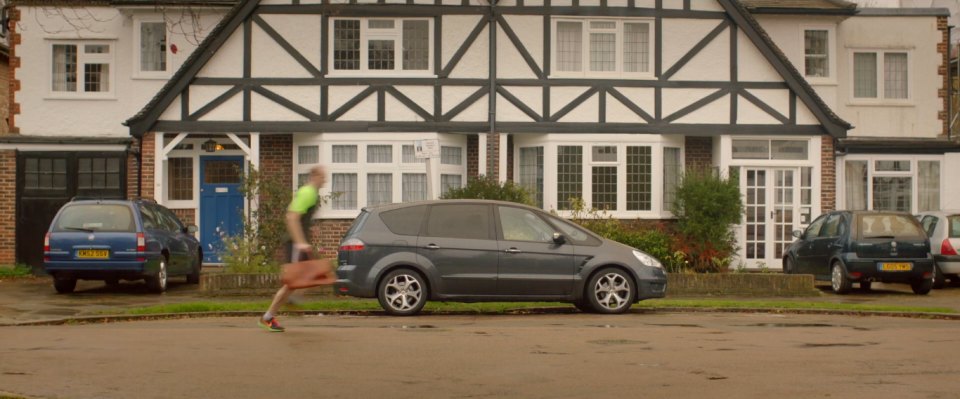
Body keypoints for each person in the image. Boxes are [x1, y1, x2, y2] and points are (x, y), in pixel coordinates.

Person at [259, 166, 327, 332]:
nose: (325, 180)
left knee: (311, 276)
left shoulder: (312, 193)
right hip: (296, 244)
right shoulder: (307, 192)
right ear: (315, 176)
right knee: (292, 283)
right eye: (323, 177)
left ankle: (292, 300)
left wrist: (311, 230)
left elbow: (301, 218)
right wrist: (300, 242)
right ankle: (269, 316)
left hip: (299, 243)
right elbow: (291, 217)